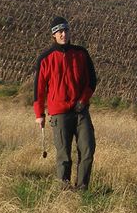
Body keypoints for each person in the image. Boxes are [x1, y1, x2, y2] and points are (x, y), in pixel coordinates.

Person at [33, 16, 97, 191]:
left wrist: (83, 100)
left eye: (65, 30)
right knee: (64, 156)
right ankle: (64, 190)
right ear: (53, 35)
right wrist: (39, 114)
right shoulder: (45, 58)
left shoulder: (81, 53)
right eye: (59, 31)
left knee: (88, 149)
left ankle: (82, 188)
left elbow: (92, 81)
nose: (63, 34)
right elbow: (38, 90)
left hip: (80, 111)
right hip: (59, 113)